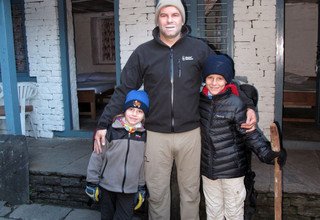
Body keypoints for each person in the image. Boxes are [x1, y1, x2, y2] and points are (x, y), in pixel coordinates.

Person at [93, 0, 257, 219]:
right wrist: (103, 124)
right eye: (164, 15)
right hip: (155, 135)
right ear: (157, 19)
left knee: (190, 194)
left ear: (182, 18)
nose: (169, 20)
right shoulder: (144, 52)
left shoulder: (198, 49)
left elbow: (225, 80)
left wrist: (248, 105)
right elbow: (124, 89)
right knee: (157, 194)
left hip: (190, 134)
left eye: (174, 15)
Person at [199, 54, 287, 220]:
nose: (214, 83)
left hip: (232, 171)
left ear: (227, 80)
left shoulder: (236, 103)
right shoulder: (200, 101)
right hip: (208, 170)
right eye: (210, 78)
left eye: (219, 78)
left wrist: (268, 154)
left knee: (233, 212)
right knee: (213, 212)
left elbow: (250, 133)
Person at [86, 90, 149, 220]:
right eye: (131, 109)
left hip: (130, 190)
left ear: (144, 115)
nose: (134, 114)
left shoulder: (144, 135)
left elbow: (142, 163)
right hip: (107, 186)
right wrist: (92, 181)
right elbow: (97, 156)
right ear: (124, 110)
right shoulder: (110, 131)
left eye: (140, 111)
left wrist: (141, 186)